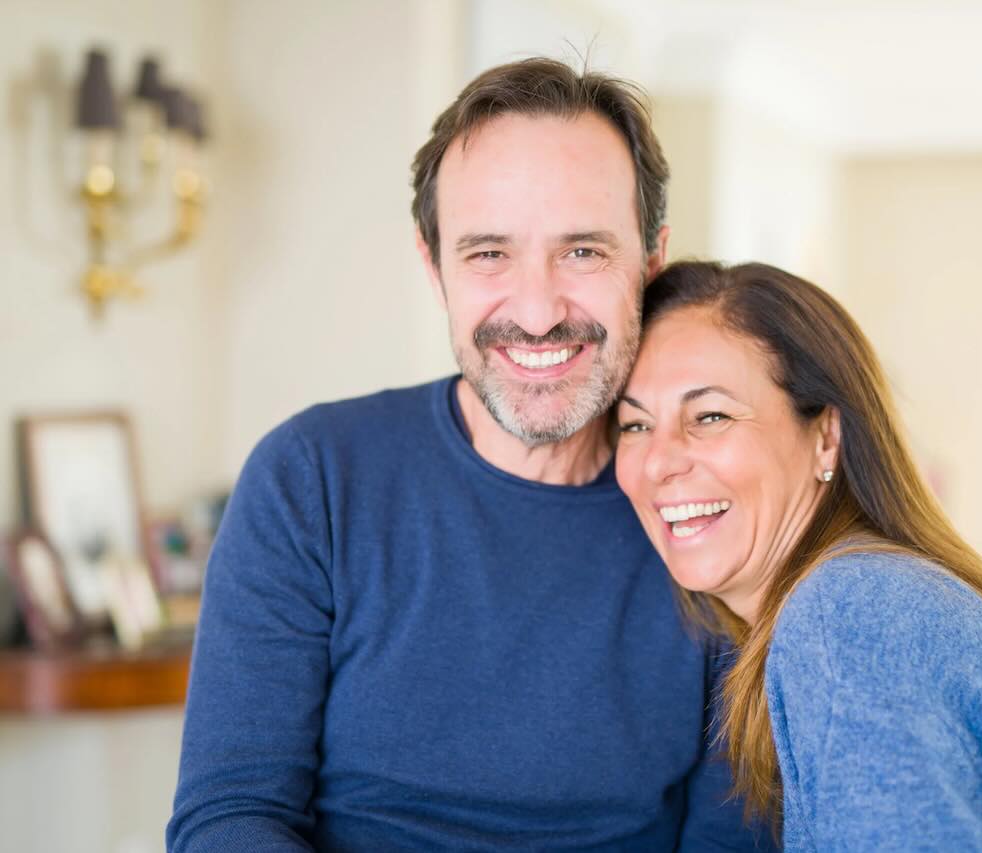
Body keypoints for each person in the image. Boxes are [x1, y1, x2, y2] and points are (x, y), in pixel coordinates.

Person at [168, 62, 769, 852]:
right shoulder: (310, 478)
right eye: (489, 253)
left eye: (583, 251)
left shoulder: (708, 510)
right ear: (435, 265)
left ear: (650, 261)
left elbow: (729, 842)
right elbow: (229, 817)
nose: (536, 310)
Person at [615, 260, 982, 851]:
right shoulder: (857, 600)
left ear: (826, 435)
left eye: (710, 416)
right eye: (635, 424)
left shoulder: (846, 614)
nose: (658, 462)